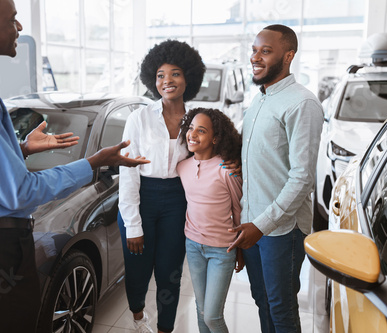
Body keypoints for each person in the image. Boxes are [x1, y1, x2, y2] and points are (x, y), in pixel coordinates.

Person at [0, 0, 149, 332]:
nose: (19, 28)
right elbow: (19, 192)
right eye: (13, 19)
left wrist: (20, 149)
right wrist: (92, 163)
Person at [226, 24, 324, 332]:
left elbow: (302, 178)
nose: (255, 57)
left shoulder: (302, 103)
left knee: (281, 308)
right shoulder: (259, 100)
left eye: (265, 51)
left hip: (281, 230)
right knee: (262, 300)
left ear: (289, 55)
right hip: (253, 222)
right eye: (254, 50)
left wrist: (261, 225)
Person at [118, 39, 205, 333]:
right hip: (141, 197)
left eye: (175, 73)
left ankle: (165, 328)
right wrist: (133, 224)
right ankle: (139, 318)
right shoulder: (138, 118)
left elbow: (207, 161)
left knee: (170, 273)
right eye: (160, 75)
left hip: (177, 201)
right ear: (151, 80)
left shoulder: (196, 120)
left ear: (188, 77)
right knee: (138, 270)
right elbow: (128, 173)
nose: (167, 80)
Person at [176, 107, 244, 333]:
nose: (192, 134)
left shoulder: (227, 170)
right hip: (193, 245)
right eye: (191, 128)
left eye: (201, 131)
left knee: (213, 316)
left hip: (222, 250)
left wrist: (240, 249)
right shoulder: (182, 167)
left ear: (215, 138)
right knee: (201, 309)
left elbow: (239, 210)